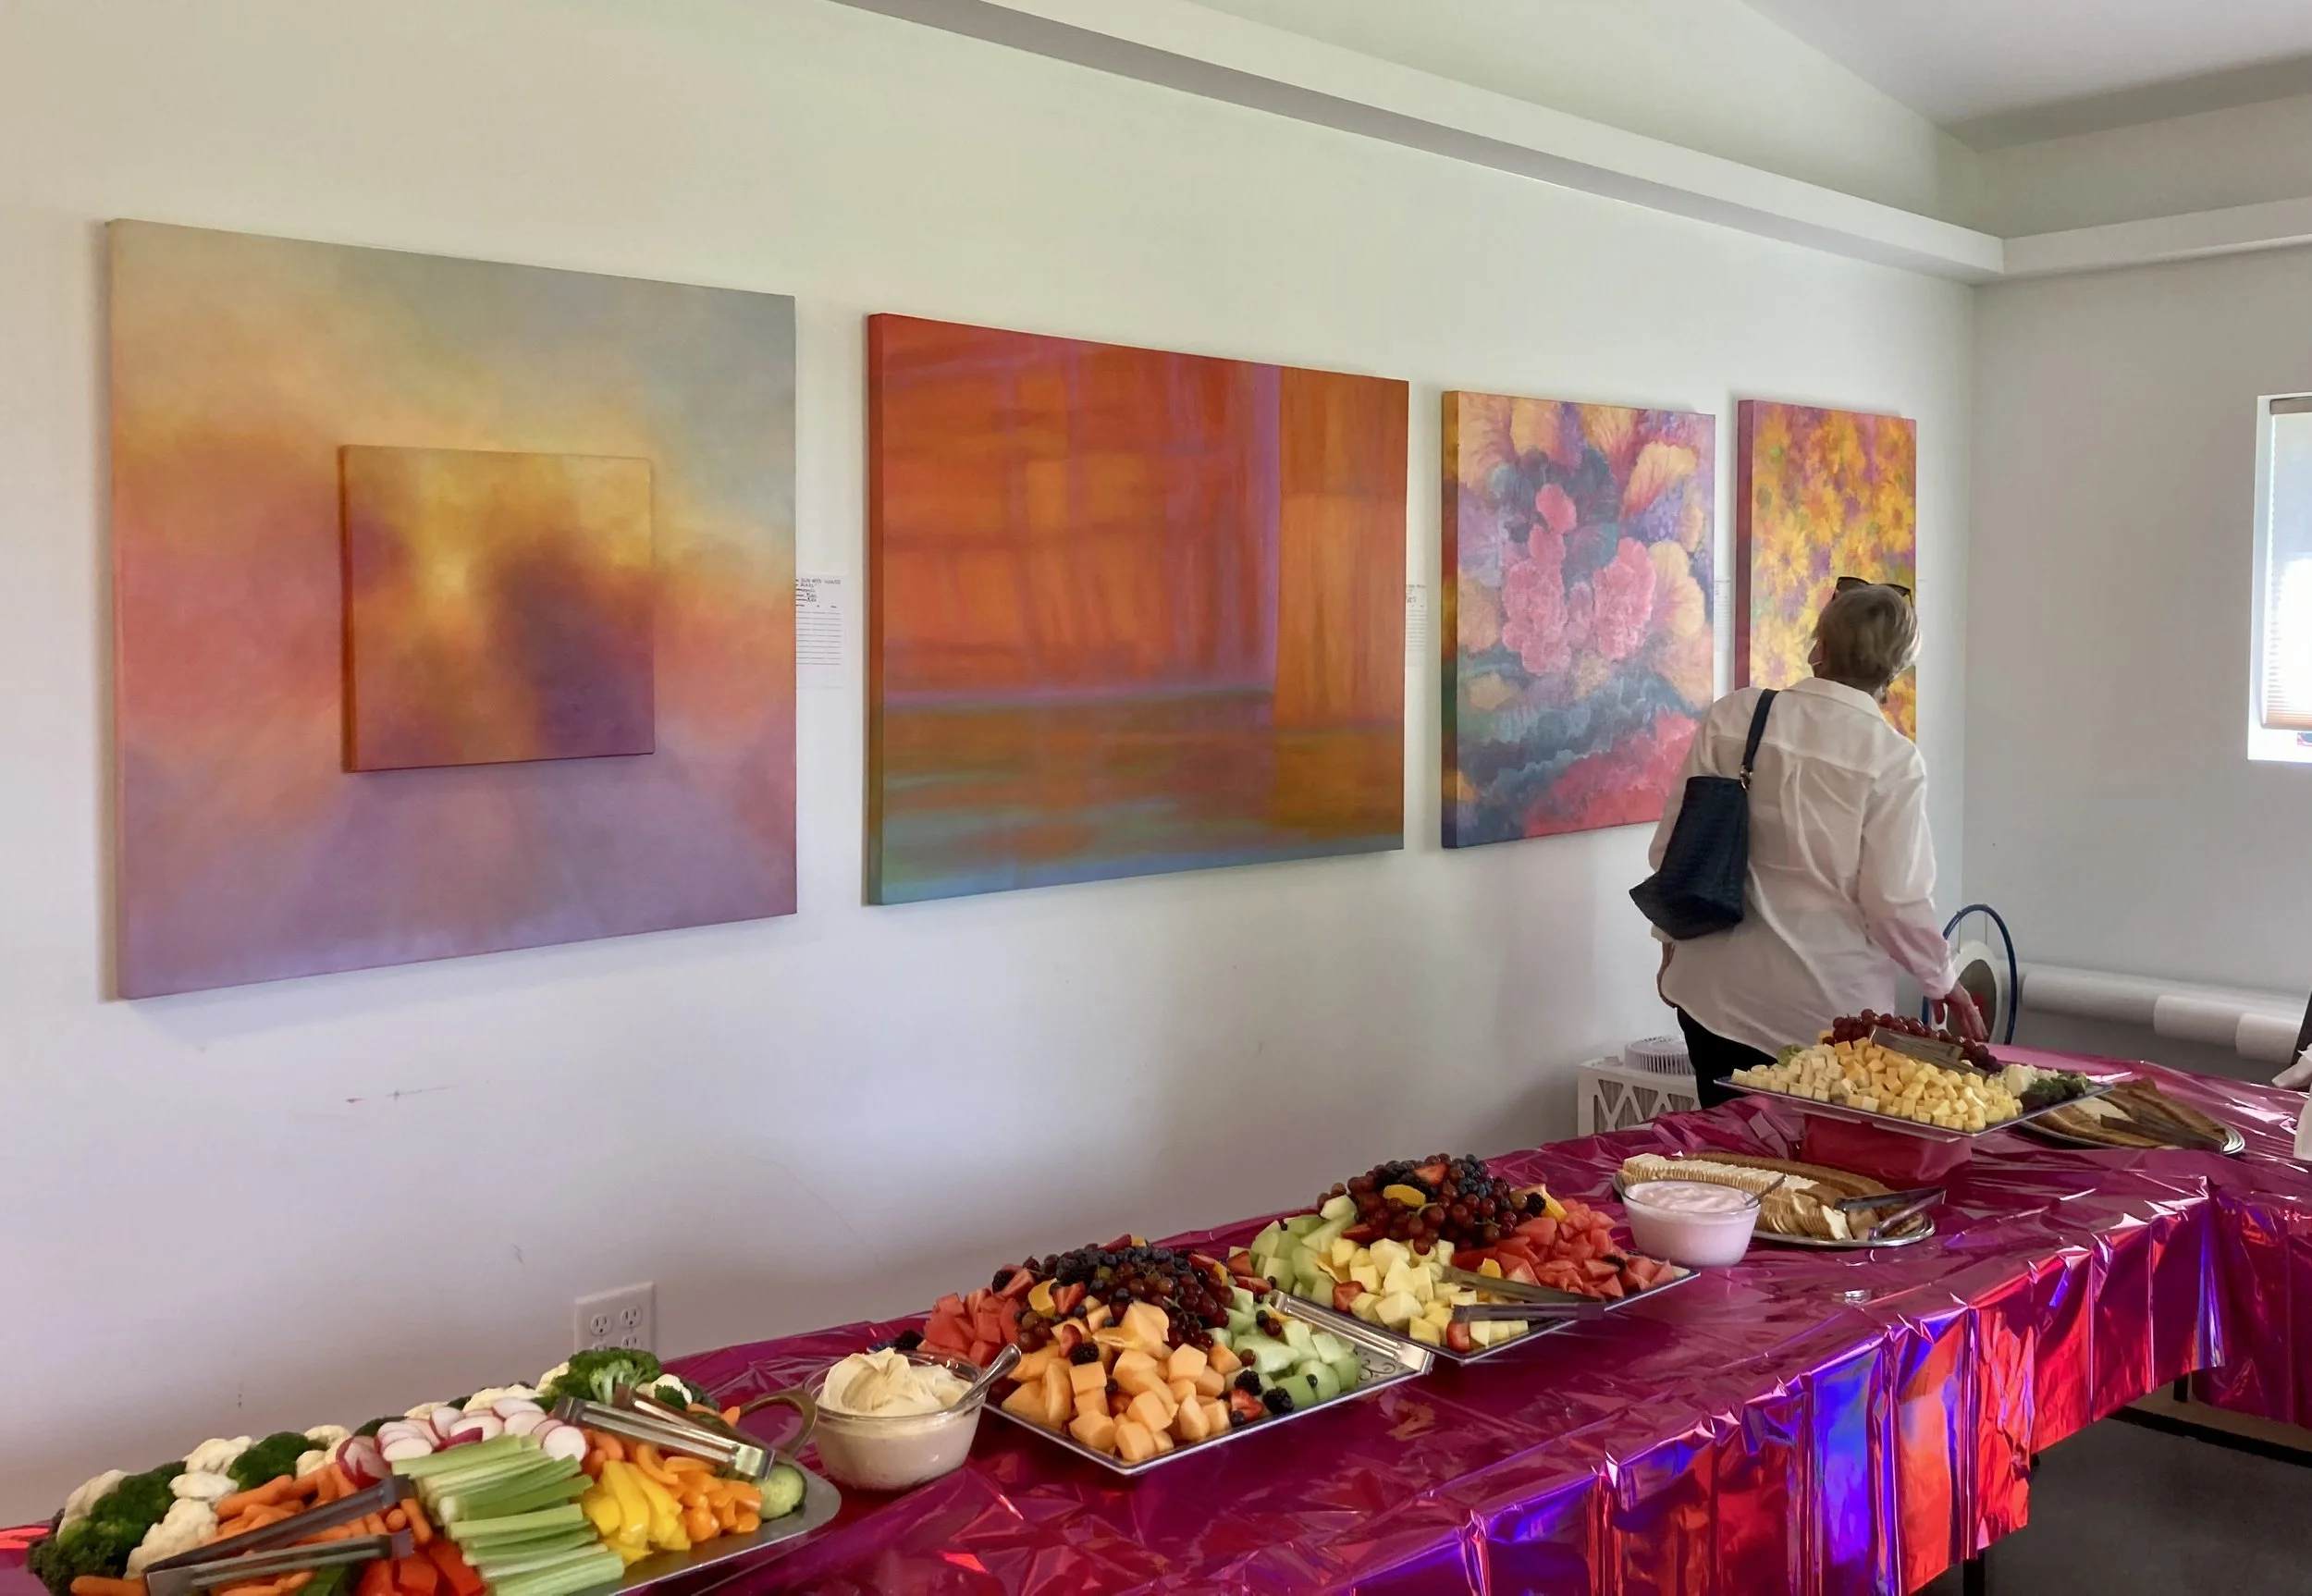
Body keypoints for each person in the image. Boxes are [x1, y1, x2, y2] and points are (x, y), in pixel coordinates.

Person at [1647, 581, 1984, 1108]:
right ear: (1895, 670)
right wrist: (1942, 979)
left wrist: (1669, 947)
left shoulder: (1736, 716)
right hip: (1825, 1022)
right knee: (1819, 1180)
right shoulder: (1891, 760)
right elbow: (1894, 904)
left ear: (1818, 648)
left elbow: (1675, 850)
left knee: (1728, 1174)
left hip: (1714, 995)